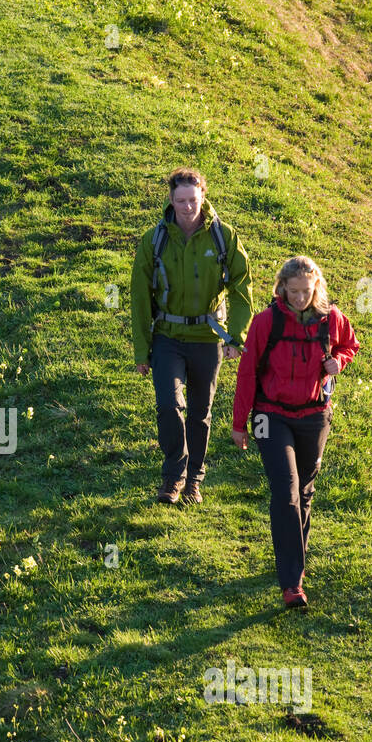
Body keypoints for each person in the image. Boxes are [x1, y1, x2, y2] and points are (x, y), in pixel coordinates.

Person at [231, 256, 359, 608]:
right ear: (282, 288)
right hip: (270, 416)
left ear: (316, 287)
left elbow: (350, 345)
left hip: (315, 416)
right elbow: (247, 374)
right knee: (285, 492)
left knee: (304, 491)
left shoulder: (332, 318)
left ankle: (293, 563)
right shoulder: (264, 322)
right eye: (294, 290)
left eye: (307, 290)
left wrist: (339, 362)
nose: (301, 297)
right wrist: (239, 424)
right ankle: (291, 583)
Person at [131, 168, 252, 505]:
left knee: (200, 412)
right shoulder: (154, 239)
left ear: (203, 195)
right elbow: (139, 296)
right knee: (169, 406)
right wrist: (142, 351)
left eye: (193, 200)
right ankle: (172, 479)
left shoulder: (223, 237)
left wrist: (235, 337)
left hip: (207, 338)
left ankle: (194, 482)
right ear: (171, 200)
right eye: (180, 201)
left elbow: (242, 286)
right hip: (167, 337)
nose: (187, 207)